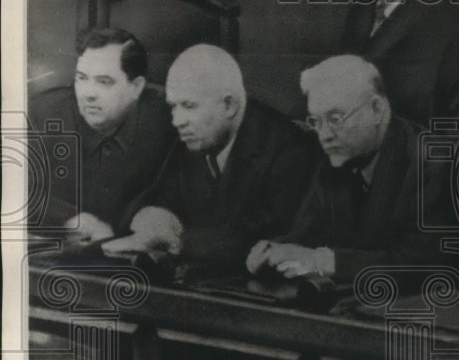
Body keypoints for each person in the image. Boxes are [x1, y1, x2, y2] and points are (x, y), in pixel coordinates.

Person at [246, 55, 452, 286]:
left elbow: (423, 265)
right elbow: (306, 236)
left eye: (335, 119)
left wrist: (325, 261)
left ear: (376, 109)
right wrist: (273, 251)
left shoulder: (431, 161)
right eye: (316, 121)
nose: (324, 135)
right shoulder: (340, 157)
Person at [116, 44, 317, 278]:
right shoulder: (196, 136)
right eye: (173, 106)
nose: (177, 120)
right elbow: (156, 194)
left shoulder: (289, 148)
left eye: (189, 106)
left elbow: (262, 235)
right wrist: (148, 213)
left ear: (229, 105)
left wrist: (177, 239)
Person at [28, 27, 173, 238]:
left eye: (104, 82)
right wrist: (72, 220)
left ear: (137, 87)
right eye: (82, 78)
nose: (88, 94)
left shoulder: (166, 123)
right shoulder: (44, 113)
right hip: (57, 257)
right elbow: (14, 189)